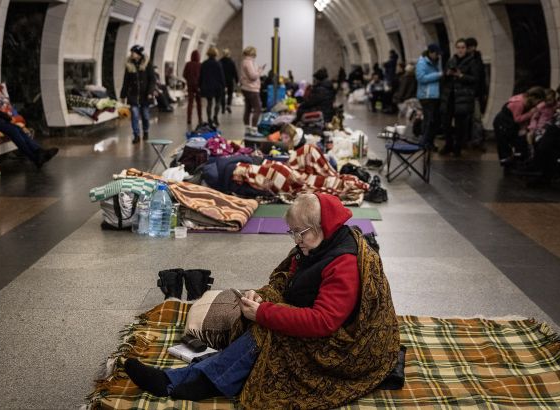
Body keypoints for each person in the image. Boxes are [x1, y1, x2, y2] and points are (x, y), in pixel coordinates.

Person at [123, 193, 400, 408]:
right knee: (264, 325)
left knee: (268, 331)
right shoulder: (316, 246)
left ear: (321, 227)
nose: (295, 239)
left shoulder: (343, 264)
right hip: (325, 326)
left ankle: (186, 382)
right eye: (292, 232)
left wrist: (264, 313)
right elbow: (287, 282)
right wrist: (262, 297)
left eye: (300, 232)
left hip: (345, 349)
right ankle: (196, 376)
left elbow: (323, 322)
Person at [439, 38, 480, 156]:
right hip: (449, 97)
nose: (460, 50)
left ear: (466, 49)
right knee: (446, 123)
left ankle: (457, 147)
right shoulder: (451, 60)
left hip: (462, 98)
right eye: (458, 47)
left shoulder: (472, 62)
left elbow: (475, 79)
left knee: (460, 125)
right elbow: (443, 78)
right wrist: (447, 74)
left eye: (463, 47)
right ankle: (448, 145)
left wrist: (461, 75)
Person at [493, 86, 545, 169]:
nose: (537, 104)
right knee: (504, 142)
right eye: (538, 101)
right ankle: (507, 162)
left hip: (509, 123)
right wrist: (530, 113)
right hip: (503, 123)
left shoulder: (525, 101)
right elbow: (517, 119)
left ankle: (516, 160)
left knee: (516, 140)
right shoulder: (519, 104)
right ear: (533, 97)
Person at [120, 45, 156, 143]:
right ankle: (136, 135)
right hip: (133, 95)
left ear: (139, 54)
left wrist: (150, 92)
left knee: (145, 115)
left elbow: (152, 80)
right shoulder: (129, 65)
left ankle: (146, 131)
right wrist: (123, 95)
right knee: (135, 115)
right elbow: (126, 81)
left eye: (133, 52)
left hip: (145, 95)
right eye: (131, 52)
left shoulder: (147, 64)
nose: (131, 54)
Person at [416, 43, 443, 148]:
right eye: (436, 54)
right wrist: (438, 75)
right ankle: (424, 142)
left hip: (435, 95)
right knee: (429, 120)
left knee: (434, 121)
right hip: (426, 96)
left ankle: (429, 142)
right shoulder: (422, 63)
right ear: (431, 53)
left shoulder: (436, 62)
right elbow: (421, 78)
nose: (438, 56)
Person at [465, 37, 487, 150]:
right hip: (466, 93)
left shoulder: (478, 59)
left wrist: (483, 92)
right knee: (467, 118)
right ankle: (467, 139)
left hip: (476, 94)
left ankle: (477, 140)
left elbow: (482, 77)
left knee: (476, 117)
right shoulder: (465, 59)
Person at [240, 46, 265, 133]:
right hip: (251, 88)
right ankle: (254, 128)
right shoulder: (249, 62)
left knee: (248, 108)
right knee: (258, 108)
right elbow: (253, 77)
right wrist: (260, 70)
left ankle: (247, 127)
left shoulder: (244, 61)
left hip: (245, 87)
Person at [199, 47, 226, 127]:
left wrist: (200, 85)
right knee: (218, 102)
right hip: (217, 86)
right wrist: (224, 85)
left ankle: (209, 119)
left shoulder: (204, 64)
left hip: (208, 86)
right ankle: (215, 117)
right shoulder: (218, 64)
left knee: (209, 103)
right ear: (215, 54)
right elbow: (221, 76)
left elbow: (201, 76)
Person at [183, 50, 203, 126]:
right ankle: (200, 118)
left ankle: (189, 118)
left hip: (190, 85)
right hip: (198, 86)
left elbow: (184, 74)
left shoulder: (188, 64)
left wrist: (189, 80)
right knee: (199, 103)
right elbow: (203, 76)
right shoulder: (200, 65)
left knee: (190, 102)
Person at [219, 48, 238, 114]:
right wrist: (237, 80)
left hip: (222, 80)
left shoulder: (220, 61)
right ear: (229, 54)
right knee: (230, 93)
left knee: (222, 94)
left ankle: (223, 107)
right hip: (230, 80)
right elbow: (235, 72)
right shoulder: (231, 62)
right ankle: (228, 105)